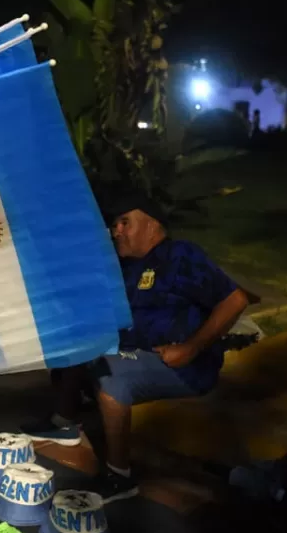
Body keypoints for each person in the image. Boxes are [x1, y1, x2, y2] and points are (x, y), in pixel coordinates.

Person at [23, 192, 250, 502]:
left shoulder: (180, 256)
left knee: (113, 373)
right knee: (75, 337)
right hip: (135, 352)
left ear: (152, 226)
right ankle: (64, 425)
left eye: (124, 223)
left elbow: (235, 300)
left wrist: (192, 347)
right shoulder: (126, 267)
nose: (116, 231)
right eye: (115, 224)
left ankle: (119, 476)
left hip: (181, 363)